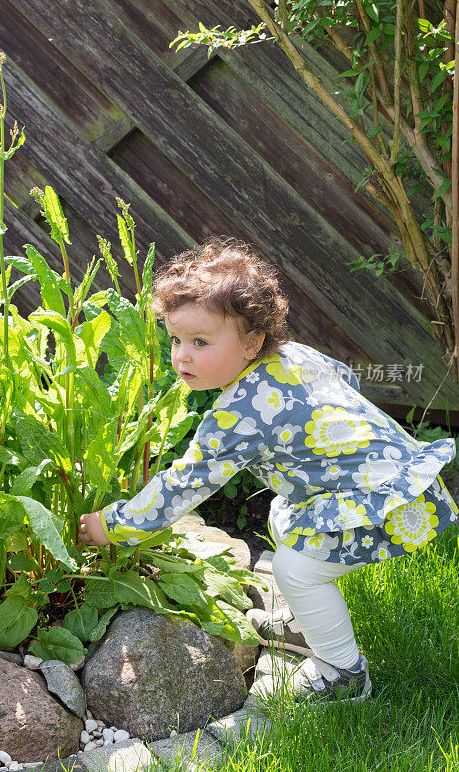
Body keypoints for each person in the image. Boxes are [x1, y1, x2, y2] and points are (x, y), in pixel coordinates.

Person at [80, 239, 458, 705]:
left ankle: (342, 674)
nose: (181, 355)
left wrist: (113, 525)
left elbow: (183, 485)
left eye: (200, 342)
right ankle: (314, 614)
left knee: (294, 568)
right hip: (390, 476)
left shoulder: (239, 413)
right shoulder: (292, 356)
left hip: (386, 502)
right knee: (284, 517)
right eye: (175, 339)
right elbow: (345, 380)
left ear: (251, 342)